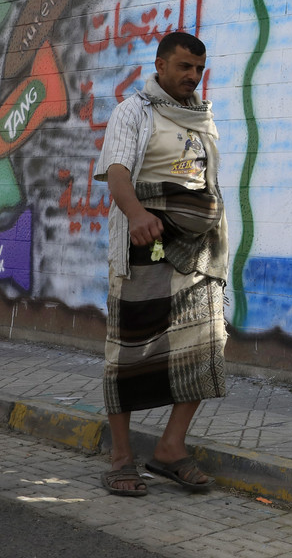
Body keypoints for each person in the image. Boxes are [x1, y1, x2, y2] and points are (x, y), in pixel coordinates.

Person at [95, 31, 229, 496]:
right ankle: (120, 458)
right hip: (143, 254)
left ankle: (171, 449)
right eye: (184, 67)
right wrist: (135, 214)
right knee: (129, 354)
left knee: (203, 346)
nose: (192, 76)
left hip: (197, 256)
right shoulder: (134, 111)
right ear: (160, 65)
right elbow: (117, 170)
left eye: (198, 69)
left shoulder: (201, 116)